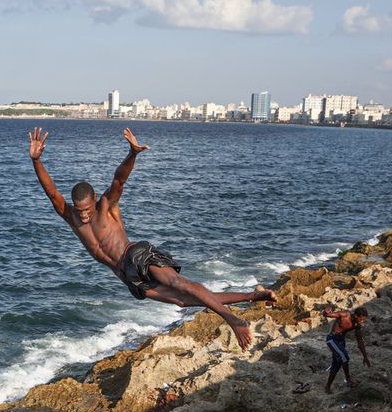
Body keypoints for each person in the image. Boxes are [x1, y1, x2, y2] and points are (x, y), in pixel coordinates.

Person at [28, 126, 276, 350]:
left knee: (181, 284)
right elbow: (52, 193)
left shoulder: (105, 206)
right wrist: (37, 161)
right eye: (79, 210)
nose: (83, 215)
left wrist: (132, 154)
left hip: (136, 256)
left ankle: (233, 320)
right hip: (127, 276)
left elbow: (119, 179)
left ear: (93, 200)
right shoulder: (71, 217)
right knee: (181, 301)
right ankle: (254, 296)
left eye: (86, 210)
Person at [324, 305, 370, 393]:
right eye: (362, 319)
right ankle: (348, 380)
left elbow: (360, 341)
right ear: (356, 316)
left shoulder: (357, 325)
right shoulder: (345, 315)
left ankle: (327, 386)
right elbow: (329, 315)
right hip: (332, 340)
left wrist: (365, 357)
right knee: (344, 357)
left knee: (336, 365)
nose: (363, 321)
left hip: (341, 342)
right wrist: (326, 312)